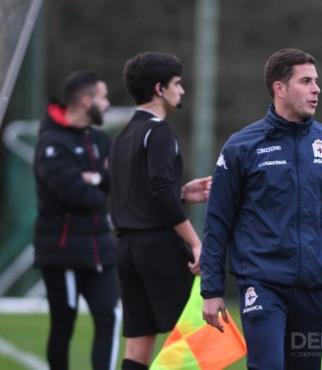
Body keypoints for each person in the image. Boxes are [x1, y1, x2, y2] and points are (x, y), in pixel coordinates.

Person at [201, 48, 322, 370]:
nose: (316, 89)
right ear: (279, 88)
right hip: (261, 282)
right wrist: (211, 289)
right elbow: (218, 220)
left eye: (316, 81)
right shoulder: (242, 146)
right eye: (306, 81)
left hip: (315, 286)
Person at [108, 52, 211, 370]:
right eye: (177, 84)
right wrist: (195, 243)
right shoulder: (160, 132)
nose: (182, 91)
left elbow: (139, 194)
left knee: (138, 345)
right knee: (204, 338)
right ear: (159, 89)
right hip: (157, 248)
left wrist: (180, 193)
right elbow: (160, 192)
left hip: (126, 249)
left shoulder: (122, 136)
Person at [33, 70, 120, 370]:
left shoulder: (99, 139)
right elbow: (78, 195)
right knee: (63, 324)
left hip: (101, 249)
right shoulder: (52, 144)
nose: (107, 104)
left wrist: (93, 177)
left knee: (109, 316)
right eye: (103, 97)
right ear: (86, 102)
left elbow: (112, 183)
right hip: (62, 252)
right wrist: (99, 182)